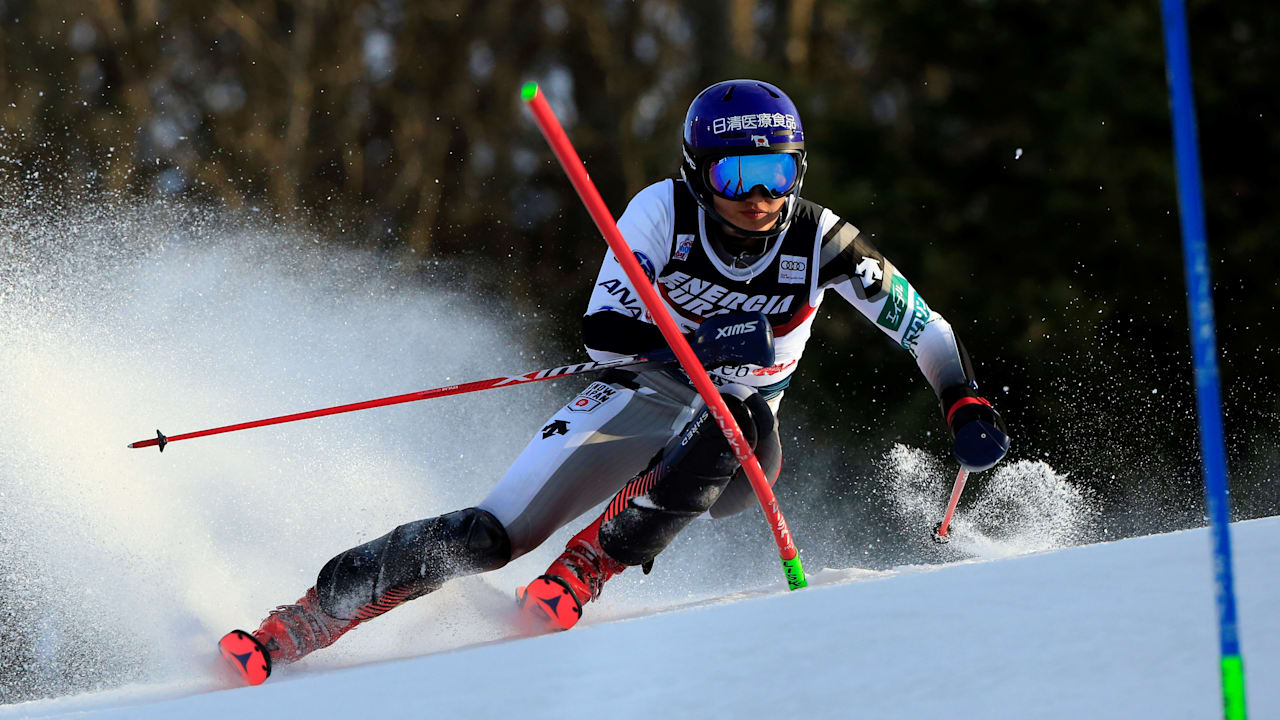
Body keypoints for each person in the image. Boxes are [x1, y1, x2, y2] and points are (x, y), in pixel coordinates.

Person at [217, 79, 1009, 685]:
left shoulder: (822, 240)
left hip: (737, 443)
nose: (761, 197)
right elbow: (604, 330)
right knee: (488, 537)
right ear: (701, 175)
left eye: (777, 172)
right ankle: (301, 623)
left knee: (733, 408)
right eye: (738, 176)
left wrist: (961, 398)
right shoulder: (660, 212)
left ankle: (588, 568)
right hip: (640, 393)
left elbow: (925, 330)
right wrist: (695, 339)